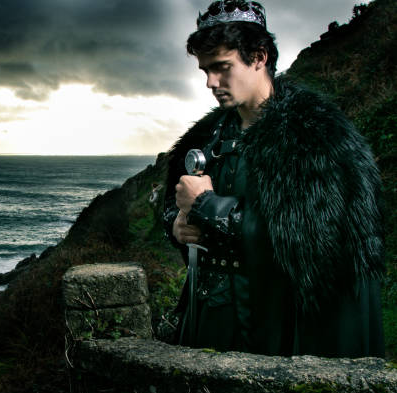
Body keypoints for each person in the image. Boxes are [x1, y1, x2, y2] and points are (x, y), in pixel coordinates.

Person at [163, 0, 385, 358]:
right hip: (210, 320)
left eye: (222, 68)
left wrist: (207, 206)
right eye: (204, 70)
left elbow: (317, 242)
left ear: (259, 57)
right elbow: (175, 211)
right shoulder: (207, 135)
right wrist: (177, 225)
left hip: (276, 321)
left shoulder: (313, 135)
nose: (210, 82)